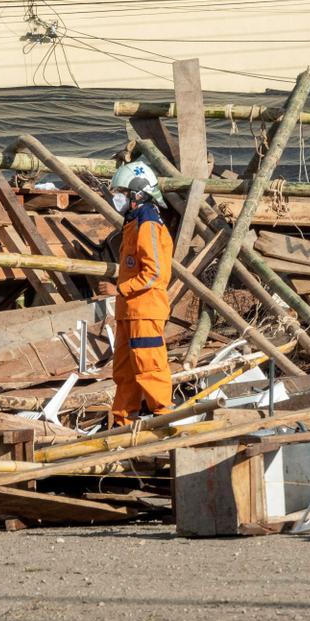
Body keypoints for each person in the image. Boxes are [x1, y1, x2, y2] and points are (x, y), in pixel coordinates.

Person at [108, 159, 174, 426]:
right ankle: (123, 421)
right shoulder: (134, 223)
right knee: (125, 370)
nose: (118, 199)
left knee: (150, 365)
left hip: (144, 309)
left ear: (137, 194)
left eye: (122, 194)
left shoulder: (148, 223)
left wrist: (123, 288)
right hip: (129, 310)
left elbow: (154, 272)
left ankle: (165, 418)